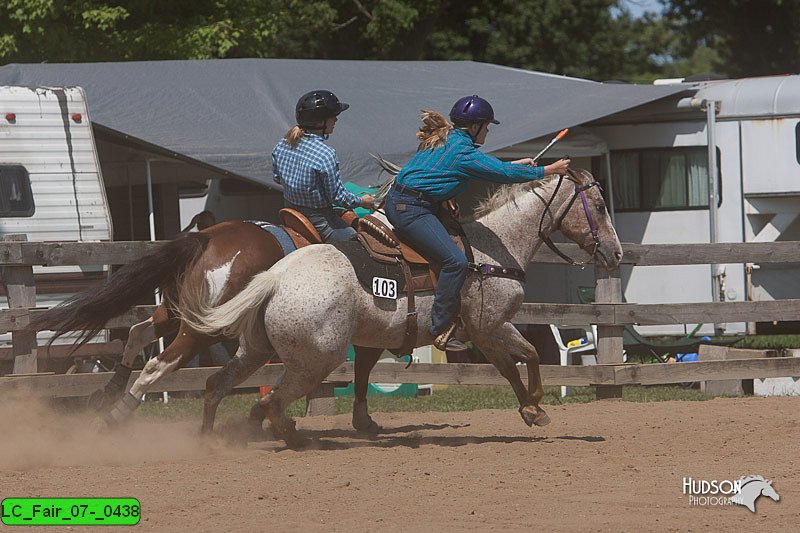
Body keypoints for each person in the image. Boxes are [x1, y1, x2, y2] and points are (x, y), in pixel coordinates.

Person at [384, 95, 570, 350]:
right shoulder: (463, 151)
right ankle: (439, 329)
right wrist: (549, 170)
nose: (487, 131)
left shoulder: (447, 138)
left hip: (405, 201)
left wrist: (514, 164)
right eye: (486, 126)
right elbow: (498, 172)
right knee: (455, 261)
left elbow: (485, 166)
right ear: (475, 127)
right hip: (413, 209)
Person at [272, 90, 375, 242]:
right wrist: (362, 202)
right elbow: (338, 197)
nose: (336, 120)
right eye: (333, 117)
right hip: (319, 221)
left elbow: (277, 178)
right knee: (359, 245)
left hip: (290, 213)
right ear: (321, 122)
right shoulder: (326, 154)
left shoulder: (282, 144)